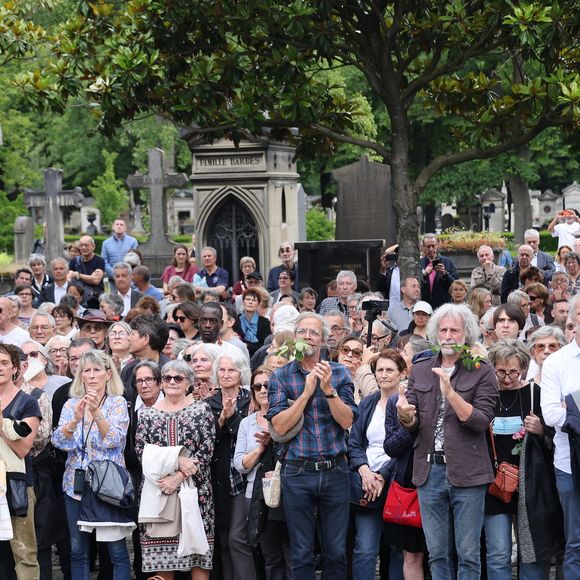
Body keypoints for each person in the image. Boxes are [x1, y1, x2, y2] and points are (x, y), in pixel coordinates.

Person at [396, 303, 498, 579]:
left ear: (467, 334)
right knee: (437, 554)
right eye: (443, 330)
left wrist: (451, 393)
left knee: (468, 555)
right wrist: (405, 414)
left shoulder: (482, 370)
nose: (448, 335)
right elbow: (411, 423)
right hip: (429, 474)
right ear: (435, 333)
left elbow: (480, 422)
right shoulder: (421, 368)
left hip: (469, 474)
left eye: (455, 330)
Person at [266, 312, 358, 579]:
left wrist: (328, 389)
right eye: (303, 332)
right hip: (297, 471)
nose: (308, 336)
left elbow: (347, 420)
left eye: (314, 332)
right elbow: (279, 427)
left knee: (336, 552)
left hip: (335, 470)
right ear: (294, 338)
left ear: (325, 339)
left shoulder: (339, 372)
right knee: (302, 552)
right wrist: (306, 392)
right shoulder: (281, 376)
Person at [485, 340, 563, 579]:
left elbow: (555, 437)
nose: (507, 378)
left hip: (531, 484)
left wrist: (540, 429)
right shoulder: (486, 395)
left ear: (523, 369)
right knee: (498, 553)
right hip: (495, 485)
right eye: (500, 371)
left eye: (513, 372)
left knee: (532, 552)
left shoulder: (533, 393)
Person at [52, 349, 132, 579]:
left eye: (97, 370)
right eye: (86, 370)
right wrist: (76, 419)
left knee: (116, 550)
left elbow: (115, 440)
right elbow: (59, 441)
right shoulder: (70, 405)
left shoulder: (117, 403)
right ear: (81, 376)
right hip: (74, 485)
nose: (92, 375)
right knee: (77, 549)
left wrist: (97, 413)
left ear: (108, 374)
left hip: (108, 485)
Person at [135, 360, 215, 580]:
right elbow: (141, 451)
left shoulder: (202, 410)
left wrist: (179, 477)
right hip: (160, 491)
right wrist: (177, 460)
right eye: (167, 378)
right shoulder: (148, 415)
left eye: (178, 378)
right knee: (163, 558)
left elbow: (206, 450)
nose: (172, 381)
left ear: (189, 382)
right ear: (161, 383)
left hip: (196, 492)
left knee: (199, 555)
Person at [349, 349, 406, 580]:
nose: (384, 375)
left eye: (389, 370)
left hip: (397, 483)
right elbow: (354, 443)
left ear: (402, 373)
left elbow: (406, 446)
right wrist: (364, 471)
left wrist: (382, 475)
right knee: (365, 549)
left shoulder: (408, 403)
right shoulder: (368, 403)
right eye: (379, 370)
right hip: (367, 485)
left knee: (398, 550)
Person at [233, 366, 289, 580]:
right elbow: (239, 464)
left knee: (293, 553)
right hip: (256, 495)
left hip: (288, 492)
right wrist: (260, 449)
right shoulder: (247, 423)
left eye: (268, 385)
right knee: (270, 555)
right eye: (258, 386)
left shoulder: (288, 416)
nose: (263, 390)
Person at [206, 350, 255, 580]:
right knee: (223, 537)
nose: (226, 374)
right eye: (222, 370)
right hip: (218, 477)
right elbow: (207, 439)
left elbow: (250, 433)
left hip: (246, 475)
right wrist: (223, 418)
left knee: (237, 537)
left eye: (231, 370)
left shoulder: (251, 399)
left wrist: (232, 417)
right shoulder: (209, 403)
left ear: (241, 372)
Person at [541, 293, 580, 578]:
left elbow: (565, 413)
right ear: (572, 320)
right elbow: (552, 415)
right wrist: (569, 414)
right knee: (575, 542)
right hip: (570, 465)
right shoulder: (557, 362)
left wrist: (575, 409)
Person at [0, 344, 42, 578]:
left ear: (15, 368)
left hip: (16, 485)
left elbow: (24, 449)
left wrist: (1, 424)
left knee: (24, 553)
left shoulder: (27, 402)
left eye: (5, 363)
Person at [419, 233, 459, 309]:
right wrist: (424, 275)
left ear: (437, 245)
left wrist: (444, 274)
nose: (431, 249)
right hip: (425, 305)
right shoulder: (420, 263)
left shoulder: (447, 262)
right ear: (423, 247)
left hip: (443, 305)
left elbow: (456, 284)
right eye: (428, 246)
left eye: (433, 246)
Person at [67, 236, 106, 309]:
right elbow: (69, 277)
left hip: (94, 299)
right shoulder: (74, 261)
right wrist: (89, 277)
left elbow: (95, 280)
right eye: (81, 245)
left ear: (93, 246)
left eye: (86, 245)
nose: (83, 248)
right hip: (77, 300)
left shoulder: (99, 261)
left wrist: (78, 275)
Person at [101, 218, 139, 286]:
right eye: (117, 224)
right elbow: (104, 261)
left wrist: (125, 274)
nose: (119, 226)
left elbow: (135, 261)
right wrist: (115, 274)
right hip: (113, 281)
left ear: (125, 228)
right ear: (113, 227)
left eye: (121, 225)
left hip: (128, 280)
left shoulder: (133, 241)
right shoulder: (106, 243)